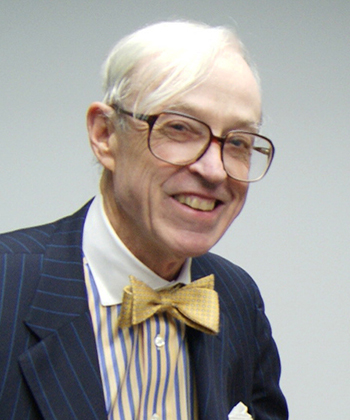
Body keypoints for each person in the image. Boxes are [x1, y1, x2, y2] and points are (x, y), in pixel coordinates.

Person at [0, 21, 288, 420]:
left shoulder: (238, 299)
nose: (215, 171)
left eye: (237, 141)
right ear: (105, 135)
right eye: (180, 128)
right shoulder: (4, 285)